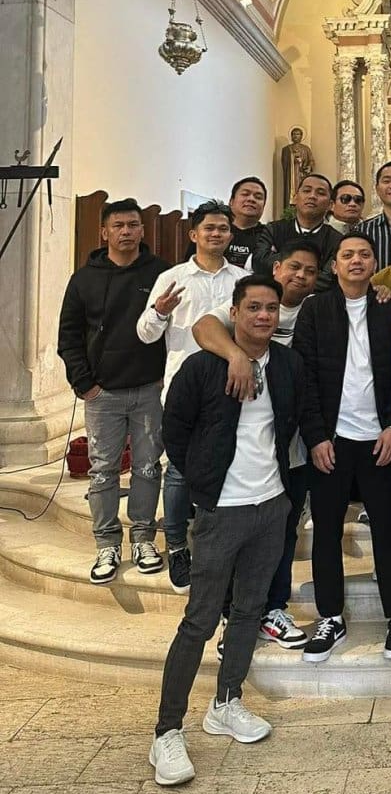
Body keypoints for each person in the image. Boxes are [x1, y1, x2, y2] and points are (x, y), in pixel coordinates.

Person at [150, 274, 303, 788]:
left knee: (249, 611)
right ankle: (167, 731)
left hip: (271, 506)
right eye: (253, 307)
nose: (263, 316)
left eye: (270, 308)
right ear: (234, 312)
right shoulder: (202, 367)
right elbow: (174, 430)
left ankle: (226, 702)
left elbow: (290, 423)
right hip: (221, 511)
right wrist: (204, 484)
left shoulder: (286, 365)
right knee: (199, 620)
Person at [191, 241, 322, 651]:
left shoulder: (316, 309)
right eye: (294, 266)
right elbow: (203, 327)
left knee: (282, 534)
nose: (301, 276)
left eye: (310, 271)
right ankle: (232, 615)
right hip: (239, 455)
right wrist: (236, 355)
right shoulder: (252, 300)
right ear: (277, 267)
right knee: (233, 541)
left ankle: (272, 609)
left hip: (291, 449)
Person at [292, 233, 391, 662]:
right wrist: (316, 436)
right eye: (348, 255)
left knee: (388, 530)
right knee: (326, 531)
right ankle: (331, 617)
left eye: (364, 254)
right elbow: (304, 378)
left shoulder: (389, 308)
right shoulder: (315, 310)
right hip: (332, 441)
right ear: (335, 265)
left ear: (375, 263)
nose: (356, 260)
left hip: (379, 439)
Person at [57, 198, 170, 584]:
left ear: (143, 230)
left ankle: (143, 538)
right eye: (118, 225)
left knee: (147, 467)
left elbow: (174, 327)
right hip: (102, 393)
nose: (126, 232)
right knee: (103, 471)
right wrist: (84, 385)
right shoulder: (83, 279)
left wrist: (163, 377)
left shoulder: (160, 273)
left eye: (133, 225)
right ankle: (106, 544)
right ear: (104, 232)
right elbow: (69, 337)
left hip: (149, 389)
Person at [137, 201, 246, 592]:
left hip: (230, 385)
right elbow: (145, 334)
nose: (216, 234)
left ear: (231, 235)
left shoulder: (243, 279)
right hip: (182, 387)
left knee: (226, 464)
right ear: (194, 234)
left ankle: (219, 544)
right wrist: (160, 312)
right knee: (179, 469)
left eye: (223, 228)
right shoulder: (172, 277)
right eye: (209, 228)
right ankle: (178, 546)